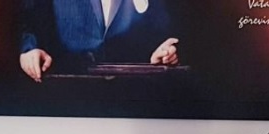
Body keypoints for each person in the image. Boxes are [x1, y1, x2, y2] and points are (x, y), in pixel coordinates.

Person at [19, 0, 180, 82]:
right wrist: (29, 49)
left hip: (134, 94)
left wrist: (161, 53)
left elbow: (163, 27)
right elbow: (30, 20)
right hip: (66, 95)